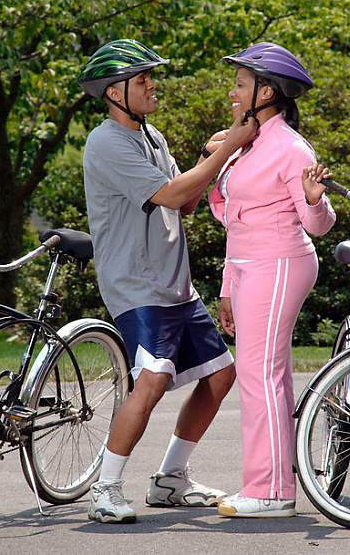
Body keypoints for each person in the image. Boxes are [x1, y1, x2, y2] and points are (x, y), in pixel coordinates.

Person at [77, 39, 256, 523]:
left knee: (221, 374)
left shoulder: (152, 137)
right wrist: (230, 149)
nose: (152, 84)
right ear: (114, 93)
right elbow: (172, 194)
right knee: (153, 380)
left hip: (175, 286)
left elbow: (189, 198)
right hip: (137, 286)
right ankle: (106, 489)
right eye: (141, 79)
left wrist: (209, 153)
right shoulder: (107, 142)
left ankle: (170, 479)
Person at [208, 42, 336, 518]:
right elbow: (235, 220)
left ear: (268, 92)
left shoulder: (288, 147)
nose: (232, 92)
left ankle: (271, 491)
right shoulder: (248, 143)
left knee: (259, 374)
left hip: (280, 262)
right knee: (266, 374)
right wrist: (226, 287)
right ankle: (273, 485)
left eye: (241, 84)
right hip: (247, 265)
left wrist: (316, 199)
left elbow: (317, 224)